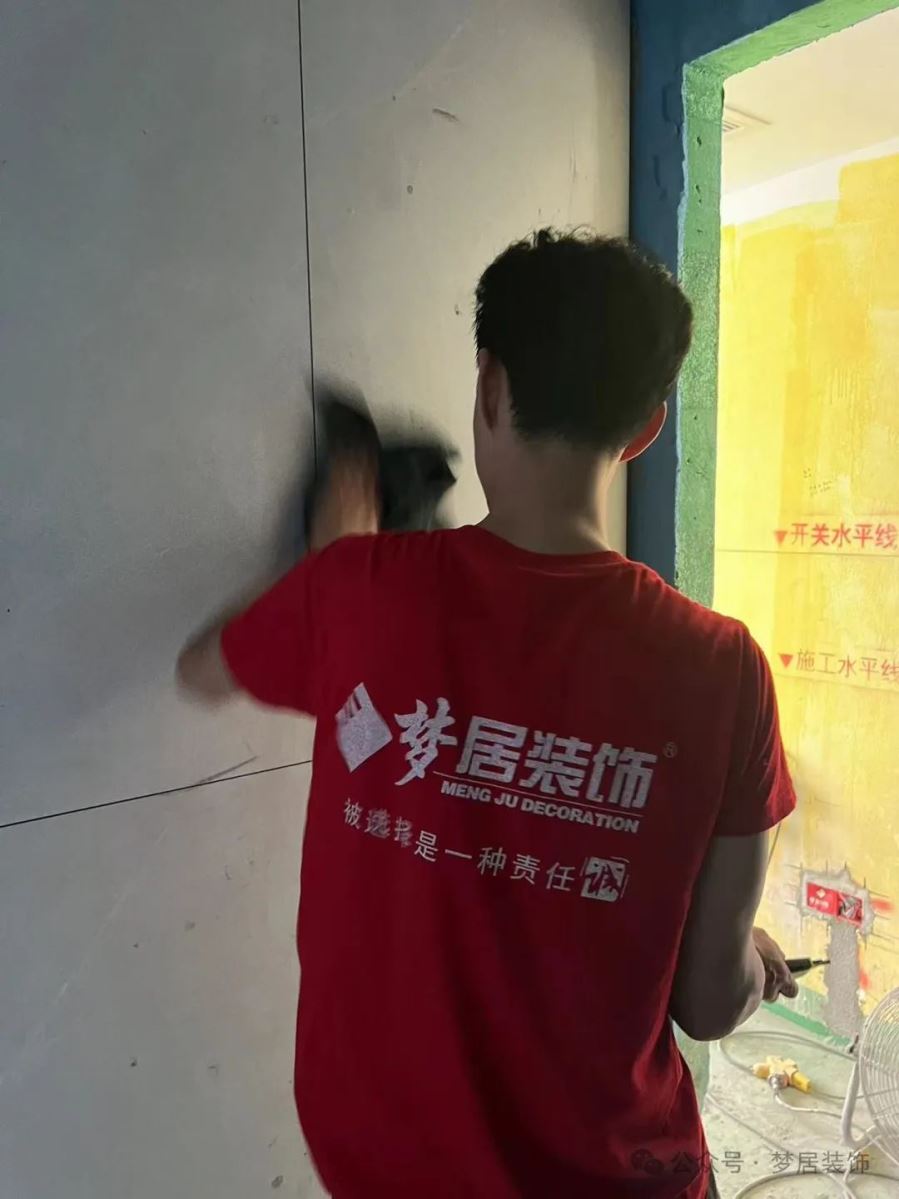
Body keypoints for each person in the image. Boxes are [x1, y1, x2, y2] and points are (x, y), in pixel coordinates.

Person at [177, 230, 798, 1199]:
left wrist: (339, 540)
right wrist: (751, 960)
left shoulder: (356, 592)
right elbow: (709, 1003)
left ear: (490, 386)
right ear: (646, 427)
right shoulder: (724, 671)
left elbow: (204, 667)